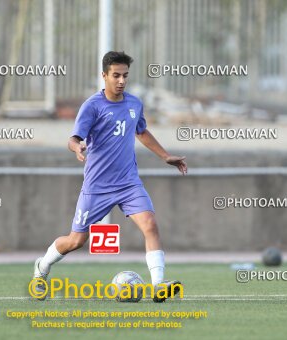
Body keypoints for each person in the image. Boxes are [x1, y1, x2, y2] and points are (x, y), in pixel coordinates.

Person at [33, 51, 187, 302]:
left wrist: (165, 156)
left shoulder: (134, 104)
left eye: (125, 75)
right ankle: (42, 268)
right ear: (104, 75)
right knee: (76, 241)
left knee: (150, 225)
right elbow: (73, 139)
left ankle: (159, 286)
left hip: (128, 183)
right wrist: (78, 148)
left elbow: (142, 131)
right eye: (116, 75)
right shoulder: (92, 106)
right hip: (97, 186)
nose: (121, 81)